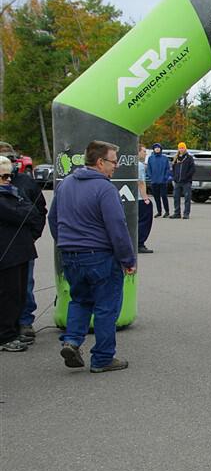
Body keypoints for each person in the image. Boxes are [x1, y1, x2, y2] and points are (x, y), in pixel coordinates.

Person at [47, 141, 135, 372]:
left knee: (80, 300)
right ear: (100, 162)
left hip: (71, 254)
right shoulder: (105, 189)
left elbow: (53, 219)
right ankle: (103, 358)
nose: (115, 166)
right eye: (113, 162)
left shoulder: (65, 184)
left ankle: (72, 341)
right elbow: (117, 227)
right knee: (106, 307)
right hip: (100, 256)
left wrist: (65, 242)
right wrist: (128, 259)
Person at [0, 141, 46, 342]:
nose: (8, 177)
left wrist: (33, 234)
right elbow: (19, 212)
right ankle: (7, 331)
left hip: (22, 245)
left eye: (10, 161)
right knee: (7, 292)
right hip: (6, 248)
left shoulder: (25, 183)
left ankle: (23, 323)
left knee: (21, 289)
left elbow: (37, 211)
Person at [169, 142, 194, 219]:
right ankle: (177, 212)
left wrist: (186, 177)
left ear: (185, 148)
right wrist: (174, 177)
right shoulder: (176, 158)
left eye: (183, 148)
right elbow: (173, 169)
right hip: (177, 182)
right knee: (176, 197)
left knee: (187, 198)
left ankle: (186, 213)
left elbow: (192, 169)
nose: (181, 149)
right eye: (180, 148)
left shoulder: (189, 158)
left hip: (186, 182)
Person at [137, 143, 154, 254]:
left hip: (131, 198)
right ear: (137, 152)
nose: (145, 153)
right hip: (139, 198)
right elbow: (141, 182)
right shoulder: (140, 166)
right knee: (144, 220)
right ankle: (140, 243)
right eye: (143, 151)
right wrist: (145, 198)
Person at [146, 143, 170, 217]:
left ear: (161, 149)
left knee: (164, 196)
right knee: (156, 197)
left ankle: (167, 211)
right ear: (153, 149)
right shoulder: (151, 158)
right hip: (154, 181)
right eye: (155, 148)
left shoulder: (164, 158)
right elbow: (148, 168)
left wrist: (165, 177)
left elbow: (167, 168)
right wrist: (150, 176)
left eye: (158, 148)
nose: (157, 149)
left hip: (163, 181)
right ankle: (159, 211)